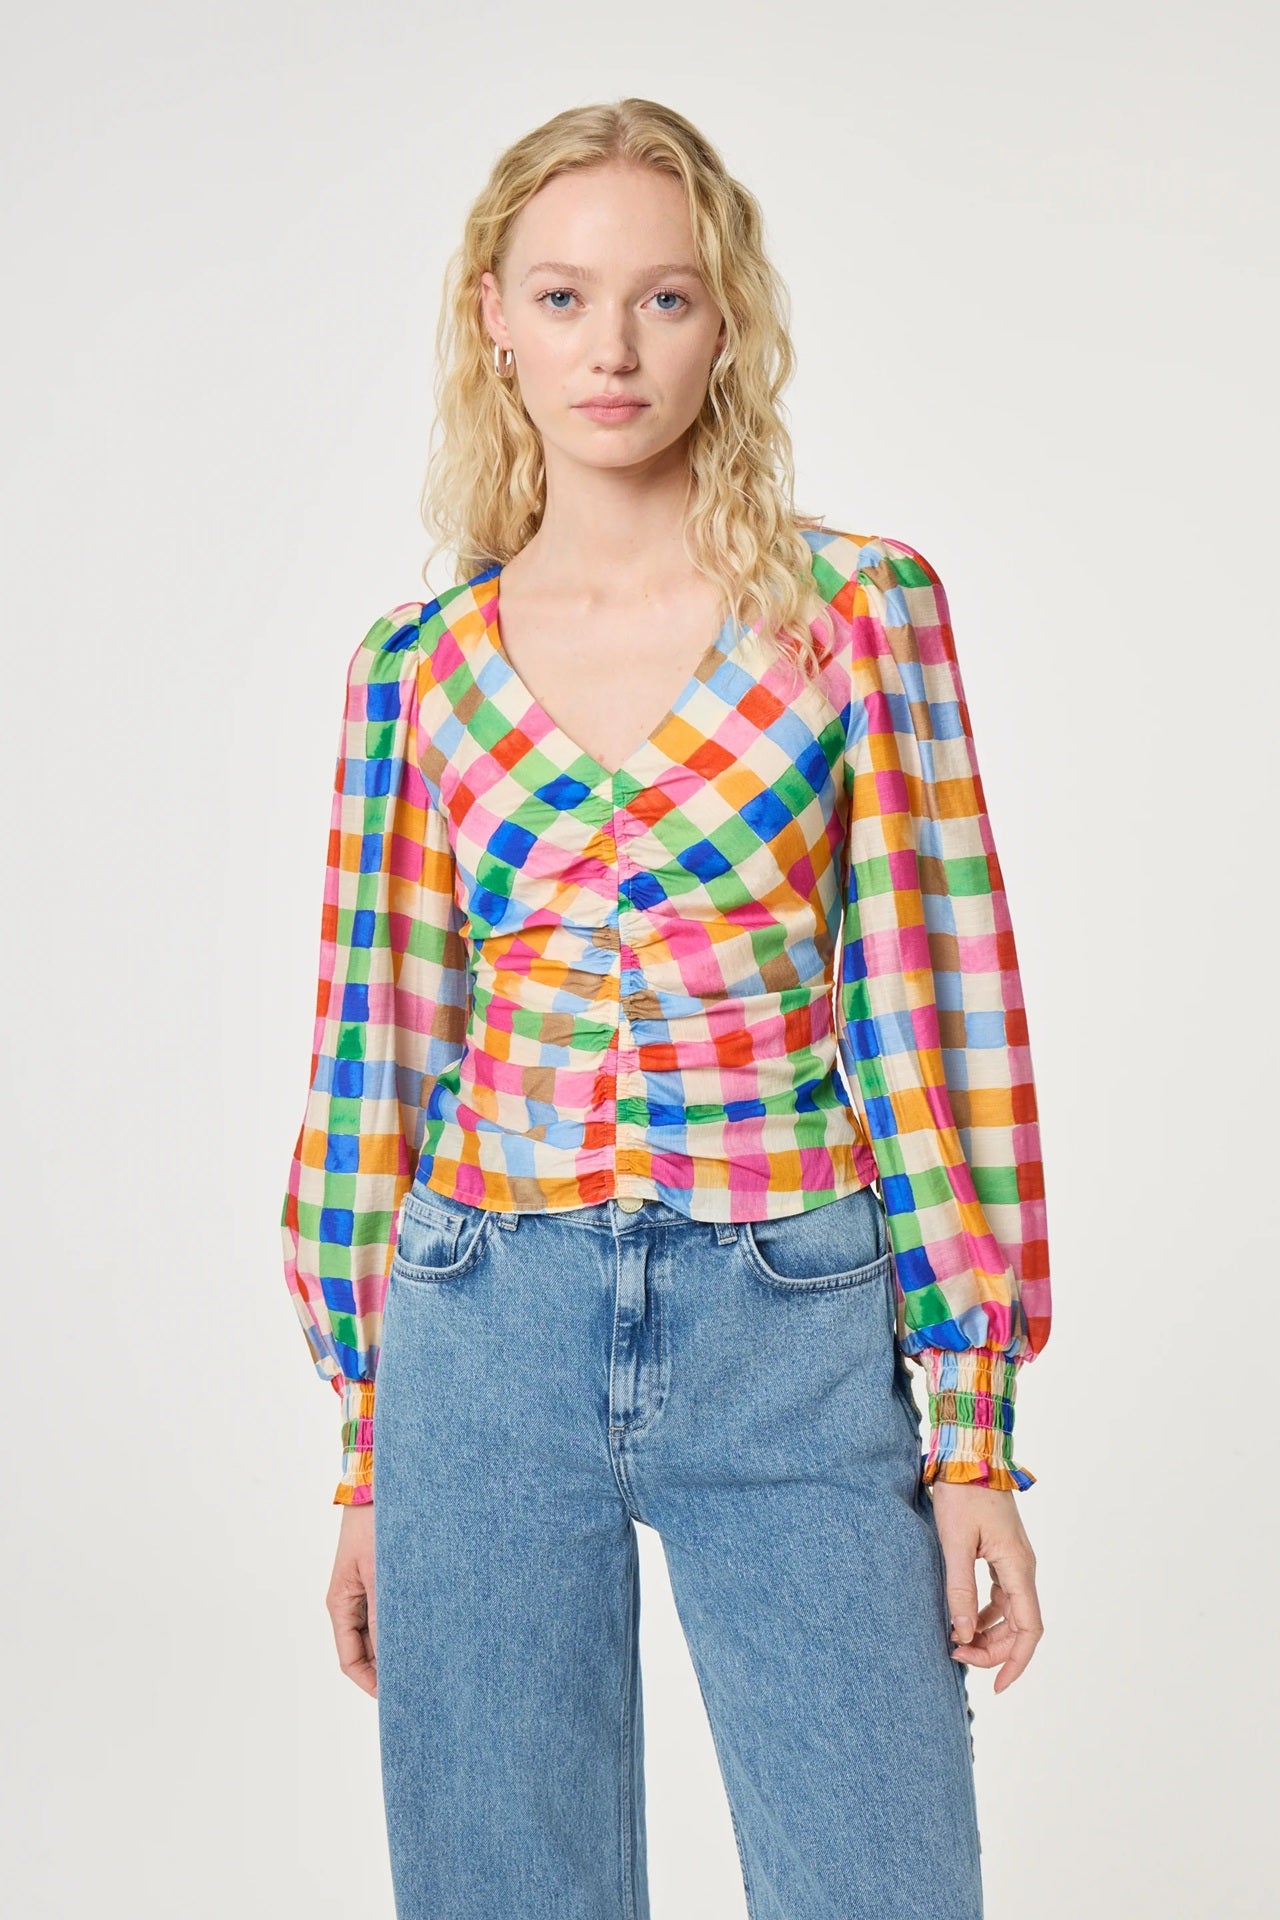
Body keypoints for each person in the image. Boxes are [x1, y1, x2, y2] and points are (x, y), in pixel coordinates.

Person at [280, 96, 1049, 1920]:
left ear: (728, 320)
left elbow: (935, 1015)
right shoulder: (417, 668)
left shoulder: (858, 614)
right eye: (562, 297)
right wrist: (367, 1456)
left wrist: (971, 1436)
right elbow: (380, 1051)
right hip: (480, 1326)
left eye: (663, 298)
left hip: (791, 1315)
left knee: (882, 1885)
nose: (611, 350)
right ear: (494, 319)